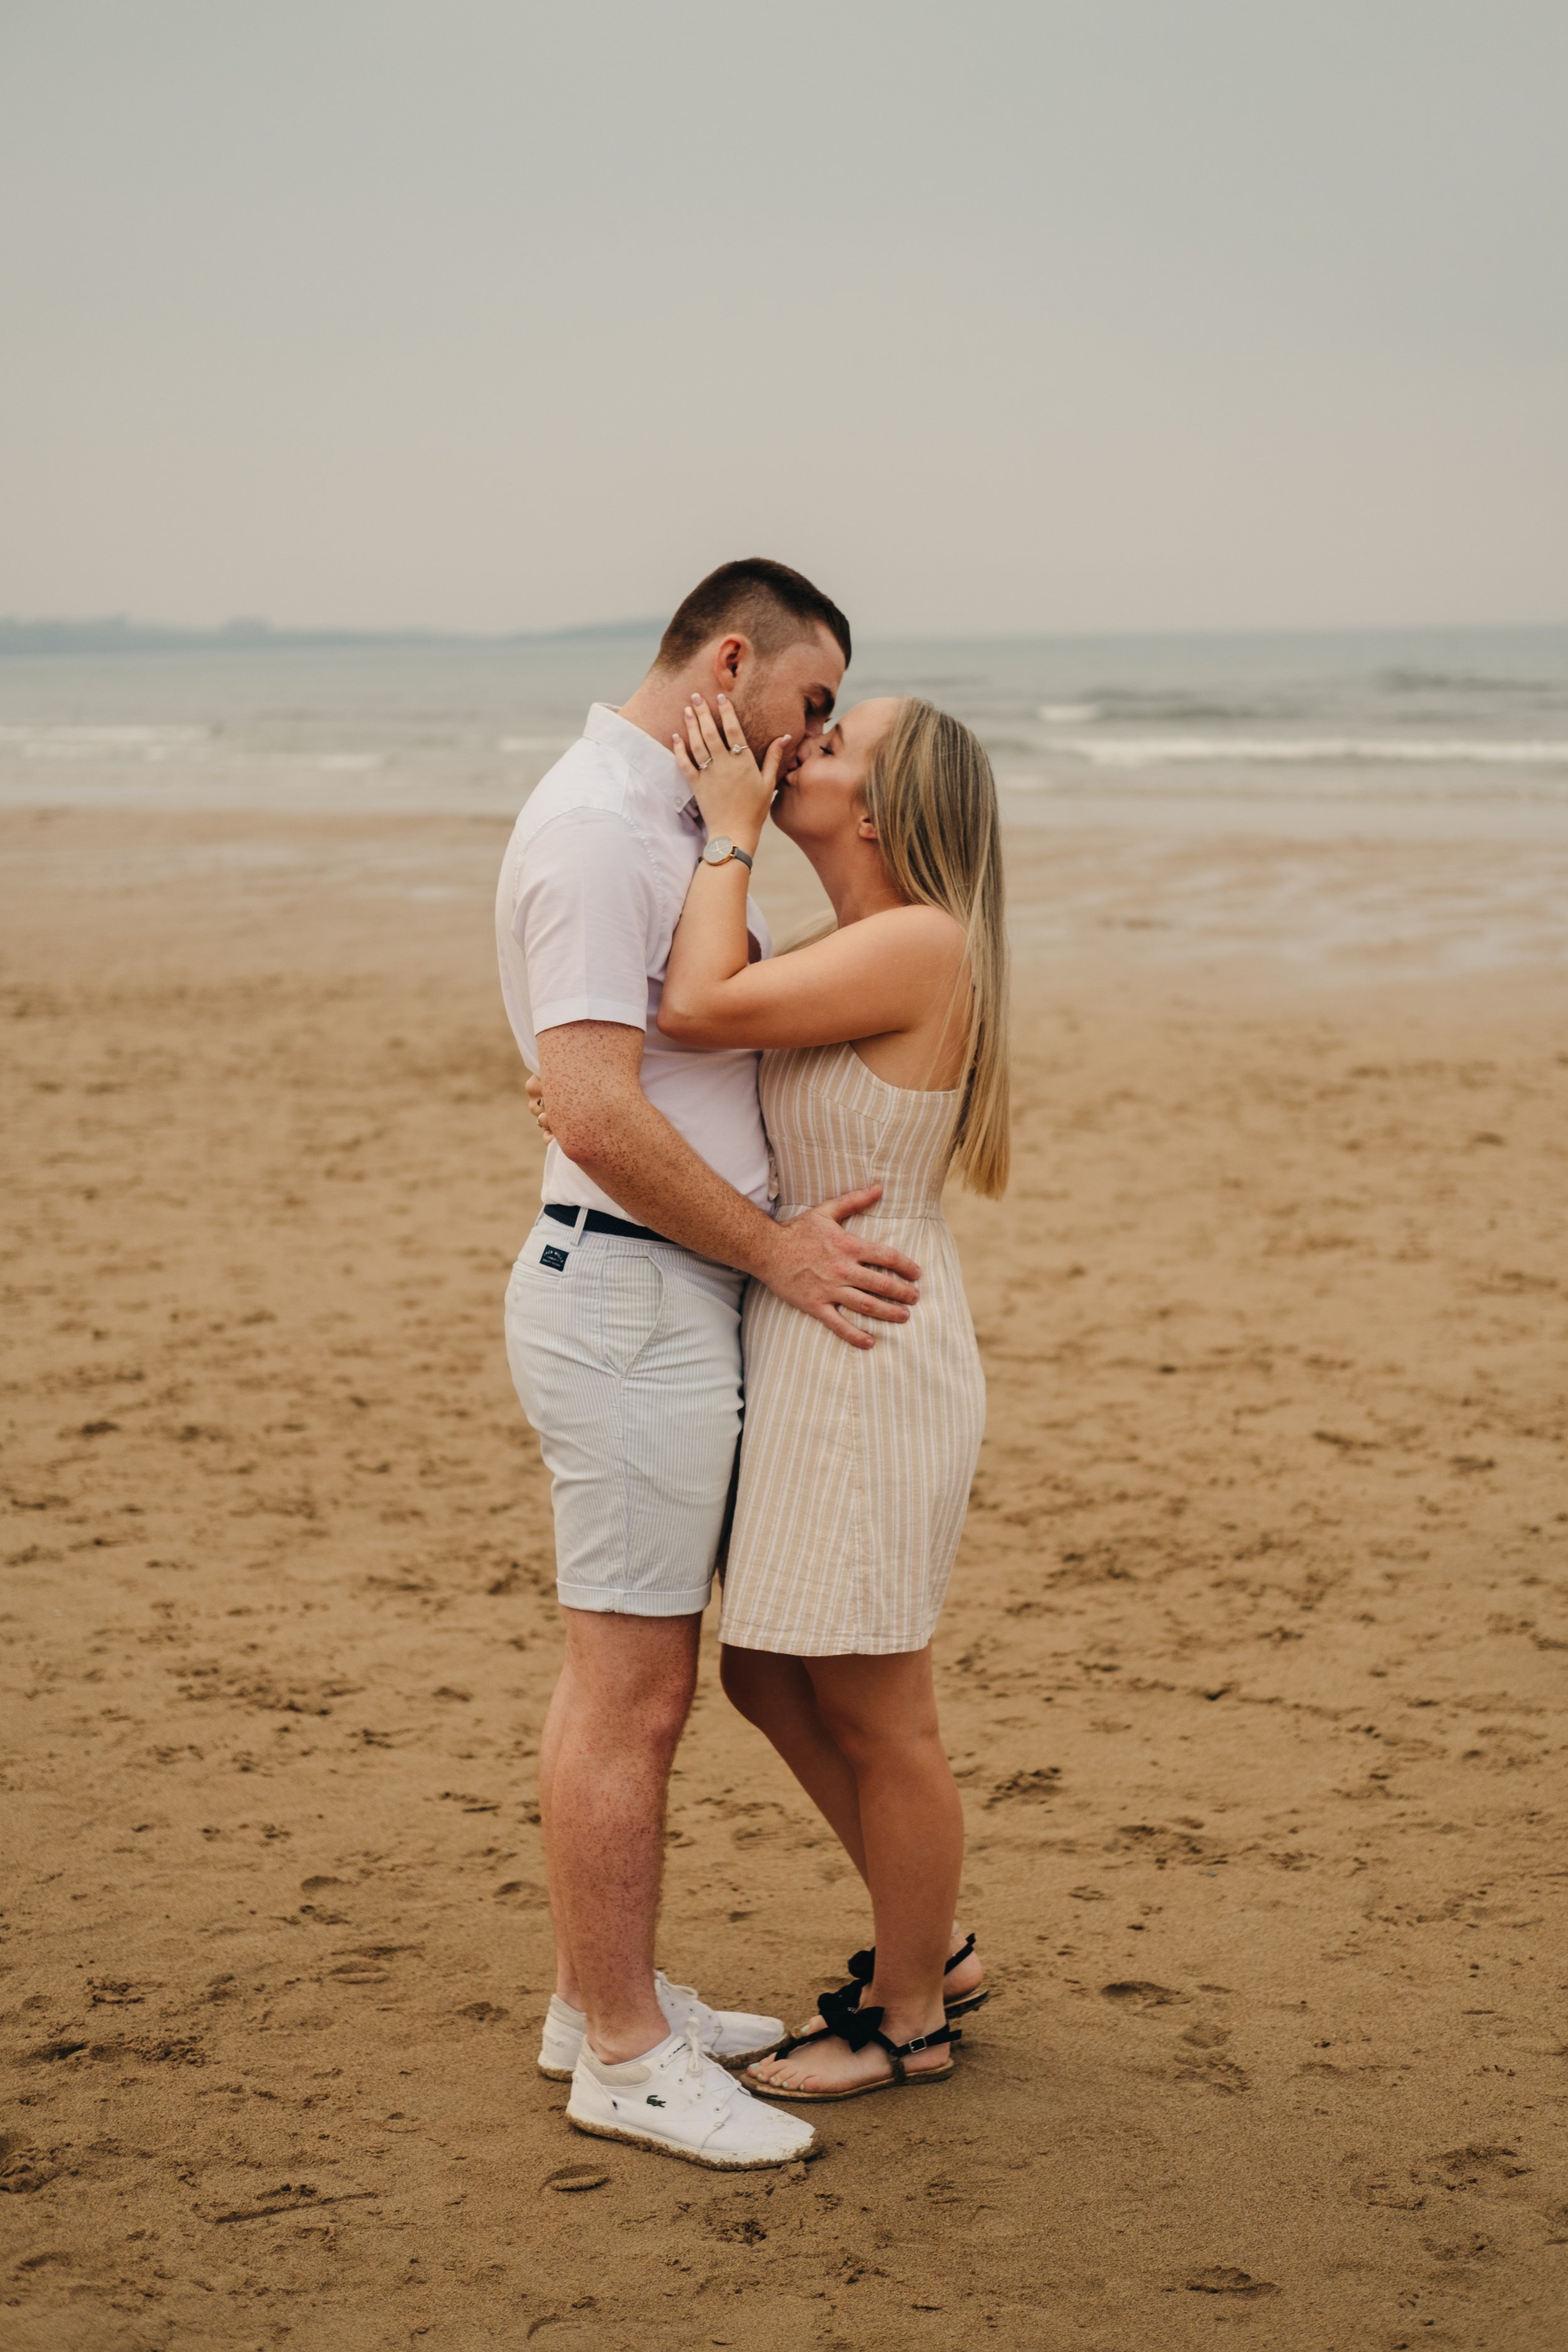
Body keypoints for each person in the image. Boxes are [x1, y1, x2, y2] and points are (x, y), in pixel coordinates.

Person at [495, 559, 924, 2170]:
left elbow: (657, 1069)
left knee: (639, 1681)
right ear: (731, 660)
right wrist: (781, 1251)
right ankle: (619, 2051)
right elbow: (597, 1109)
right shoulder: (607, 830)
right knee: (634, 1690)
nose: (812, 734)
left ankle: (589, 2001)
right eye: (810, 700)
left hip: (660, 1289)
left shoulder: (667, 811)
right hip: (630, 1301)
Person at [656, 686, 1008, 2100]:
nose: (801, 747)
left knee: (883, 1713)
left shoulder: (918, 944)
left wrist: (728, 826)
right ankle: (932, 1944)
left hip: (869, 1343)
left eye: (833, 742)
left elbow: (690, 1005)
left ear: (876, 809)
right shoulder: (859, 944)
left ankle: (911, 2014)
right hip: (818, 1328)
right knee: (762, 1670)